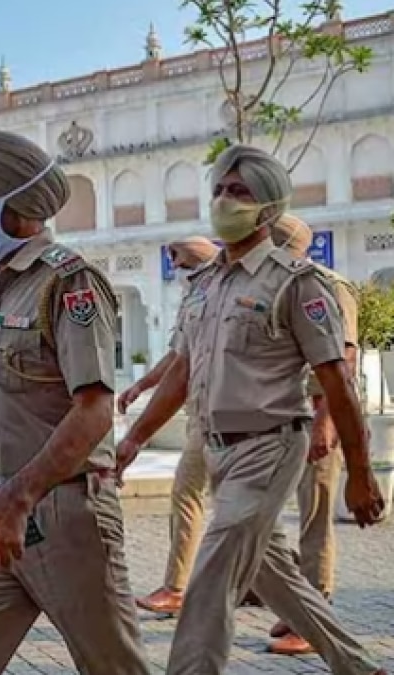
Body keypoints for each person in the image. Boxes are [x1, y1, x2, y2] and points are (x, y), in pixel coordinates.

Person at [116, 145, 386, 675]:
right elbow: (181, 371)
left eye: (238, 191)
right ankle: (358, 666)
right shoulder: (206, 283)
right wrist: (133, 440)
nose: (223, 200)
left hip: (270, 445)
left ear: (268, 207)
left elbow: (337, 379)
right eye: (219, 189)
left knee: (212, 577)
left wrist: (360, 473)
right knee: (270, 570)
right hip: (218, 450)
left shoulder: (297, 283)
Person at [0, 128, 150, 674]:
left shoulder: (69, 283)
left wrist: (19, 499)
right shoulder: (3, 285)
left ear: (19, 202)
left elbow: (94, 409)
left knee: (114, 668)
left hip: (63, 513)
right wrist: (4, 500)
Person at [264, 213, 361, 656]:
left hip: (316, 412)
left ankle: (315, 614)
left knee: (315, 515)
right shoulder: (276, 282)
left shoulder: (327, 284)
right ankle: (299, 604)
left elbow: (343, 358)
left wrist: (326, 421)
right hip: (281, 414)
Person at [117, 236, 220, 615]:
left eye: (181, 264)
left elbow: (183, 368)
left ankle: (177, 588)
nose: (175, 271)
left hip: (221, 417)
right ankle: (258, 583)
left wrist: (136, 437)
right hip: (206, 415)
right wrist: (143, 385)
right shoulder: (196, 297)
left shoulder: (215, 296)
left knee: (189, 496)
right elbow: (178, 357)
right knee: (241, 512)